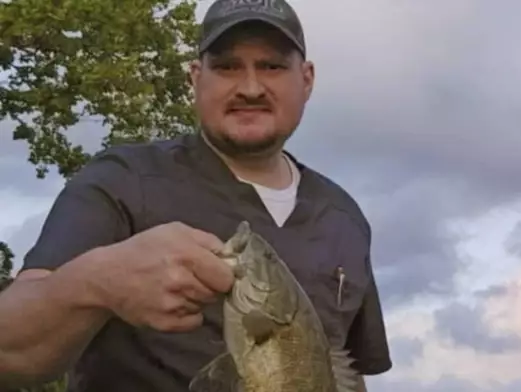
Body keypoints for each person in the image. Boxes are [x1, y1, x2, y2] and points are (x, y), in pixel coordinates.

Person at [0, 0, 392, 390]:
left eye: (272, 66)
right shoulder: (122, 179)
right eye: (226, 67)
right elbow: (10, 353)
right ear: (194, 78)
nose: (250, 87)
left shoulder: (344, 217)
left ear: (306, 79)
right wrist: (98, 281)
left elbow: (348, 372)